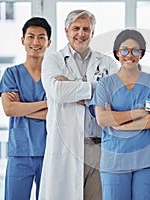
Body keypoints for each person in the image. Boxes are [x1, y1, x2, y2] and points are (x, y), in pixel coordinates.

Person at [39, 9, 118, 200]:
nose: (80, 33)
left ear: (92, 33)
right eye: (76, 28)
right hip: (65, 144)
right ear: (66, 31)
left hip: (98, 146)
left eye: (86, 29)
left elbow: (116, 94)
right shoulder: (53, 60)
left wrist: (74, 89)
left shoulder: (106, 62)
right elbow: (58, 91)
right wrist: (96, 90)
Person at [89, 29, 150, 200]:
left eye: (135, 50)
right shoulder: (105, 84)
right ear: (117, 53)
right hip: (115, 159)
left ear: (141, 53)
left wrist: (118, 121)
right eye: (124, 50)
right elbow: (102, 118)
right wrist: (139, 114)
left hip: (149, 160)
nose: (130, 55)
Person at [0, 17, 51, 200]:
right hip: (19, 152)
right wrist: (46, 104)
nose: (36, 42)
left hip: (49, 153)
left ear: (48, 42)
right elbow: (10, 109)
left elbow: (57, 115)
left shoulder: (54, 78)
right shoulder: (12, 74)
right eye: (31, 36)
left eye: (41, 37)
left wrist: (23, 107)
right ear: (23, 40)